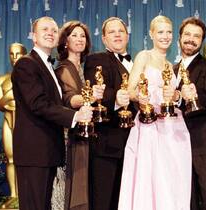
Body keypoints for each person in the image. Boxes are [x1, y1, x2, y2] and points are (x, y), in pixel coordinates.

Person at [11, 16, 93, 210]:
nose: (50, 33)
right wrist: (74, 116)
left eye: (54, 30)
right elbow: (38, 104)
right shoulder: (26, 64)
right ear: (33, 36)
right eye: (45, 29)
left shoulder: (48, 66)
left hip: (46, 151)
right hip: (34, 152)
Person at [118, 15, 192, 210]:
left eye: (169, 32)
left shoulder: (171, 65)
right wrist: (141, 98)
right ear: (151, 34)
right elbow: (131, 90)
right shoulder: (144, 56)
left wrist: (176, 94)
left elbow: (175, 96)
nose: (165, 36)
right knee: (150, 175)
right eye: (160, 32)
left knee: (172, 177)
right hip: (150, 125)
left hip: (173, 126)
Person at [84, 17, 136, 210]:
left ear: (127, 36)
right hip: (107, 144)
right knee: (104, 199)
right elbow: (98, 89)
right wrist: (116, 97)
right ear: (104, 39)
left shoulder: (137, 62)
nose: (117, 35)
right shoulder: (96, 59)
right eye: (112, 32)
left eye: (121, 31)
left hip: (134, 144)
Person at [55, 20, 104, 210]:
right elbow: (69, 99)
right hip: (71, 137)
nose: (79, 39)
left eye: (82, 35)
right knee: (75, 186)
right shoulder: (64, 68)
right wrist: (89, 97)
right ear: (65, 41)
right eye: (74, 35)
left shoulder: (83, 68)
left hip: (85, 135)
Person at [174, 17, 206, 210]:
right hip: (175, 141)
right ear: (180, 37)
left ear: (201, 41)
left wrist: (195, 97)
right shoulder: (172, 69)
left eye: (196, 36)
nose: (191, 40)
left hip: (203, 141)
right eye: (187, 35)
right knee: (184, 195)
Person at [0, 42, 27, 208]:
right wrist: (11, 94)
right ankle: (14, 195)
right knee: (11, 159)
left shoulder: (30, 77)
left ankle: (26, 195)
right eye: (12, 54)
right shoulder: (2, 79)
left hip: (26, 124)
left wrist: (9, 98)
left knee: (26, 161)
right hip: (8, 121)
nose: (15, 58)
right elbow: (1, 104)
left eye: (18, 54)